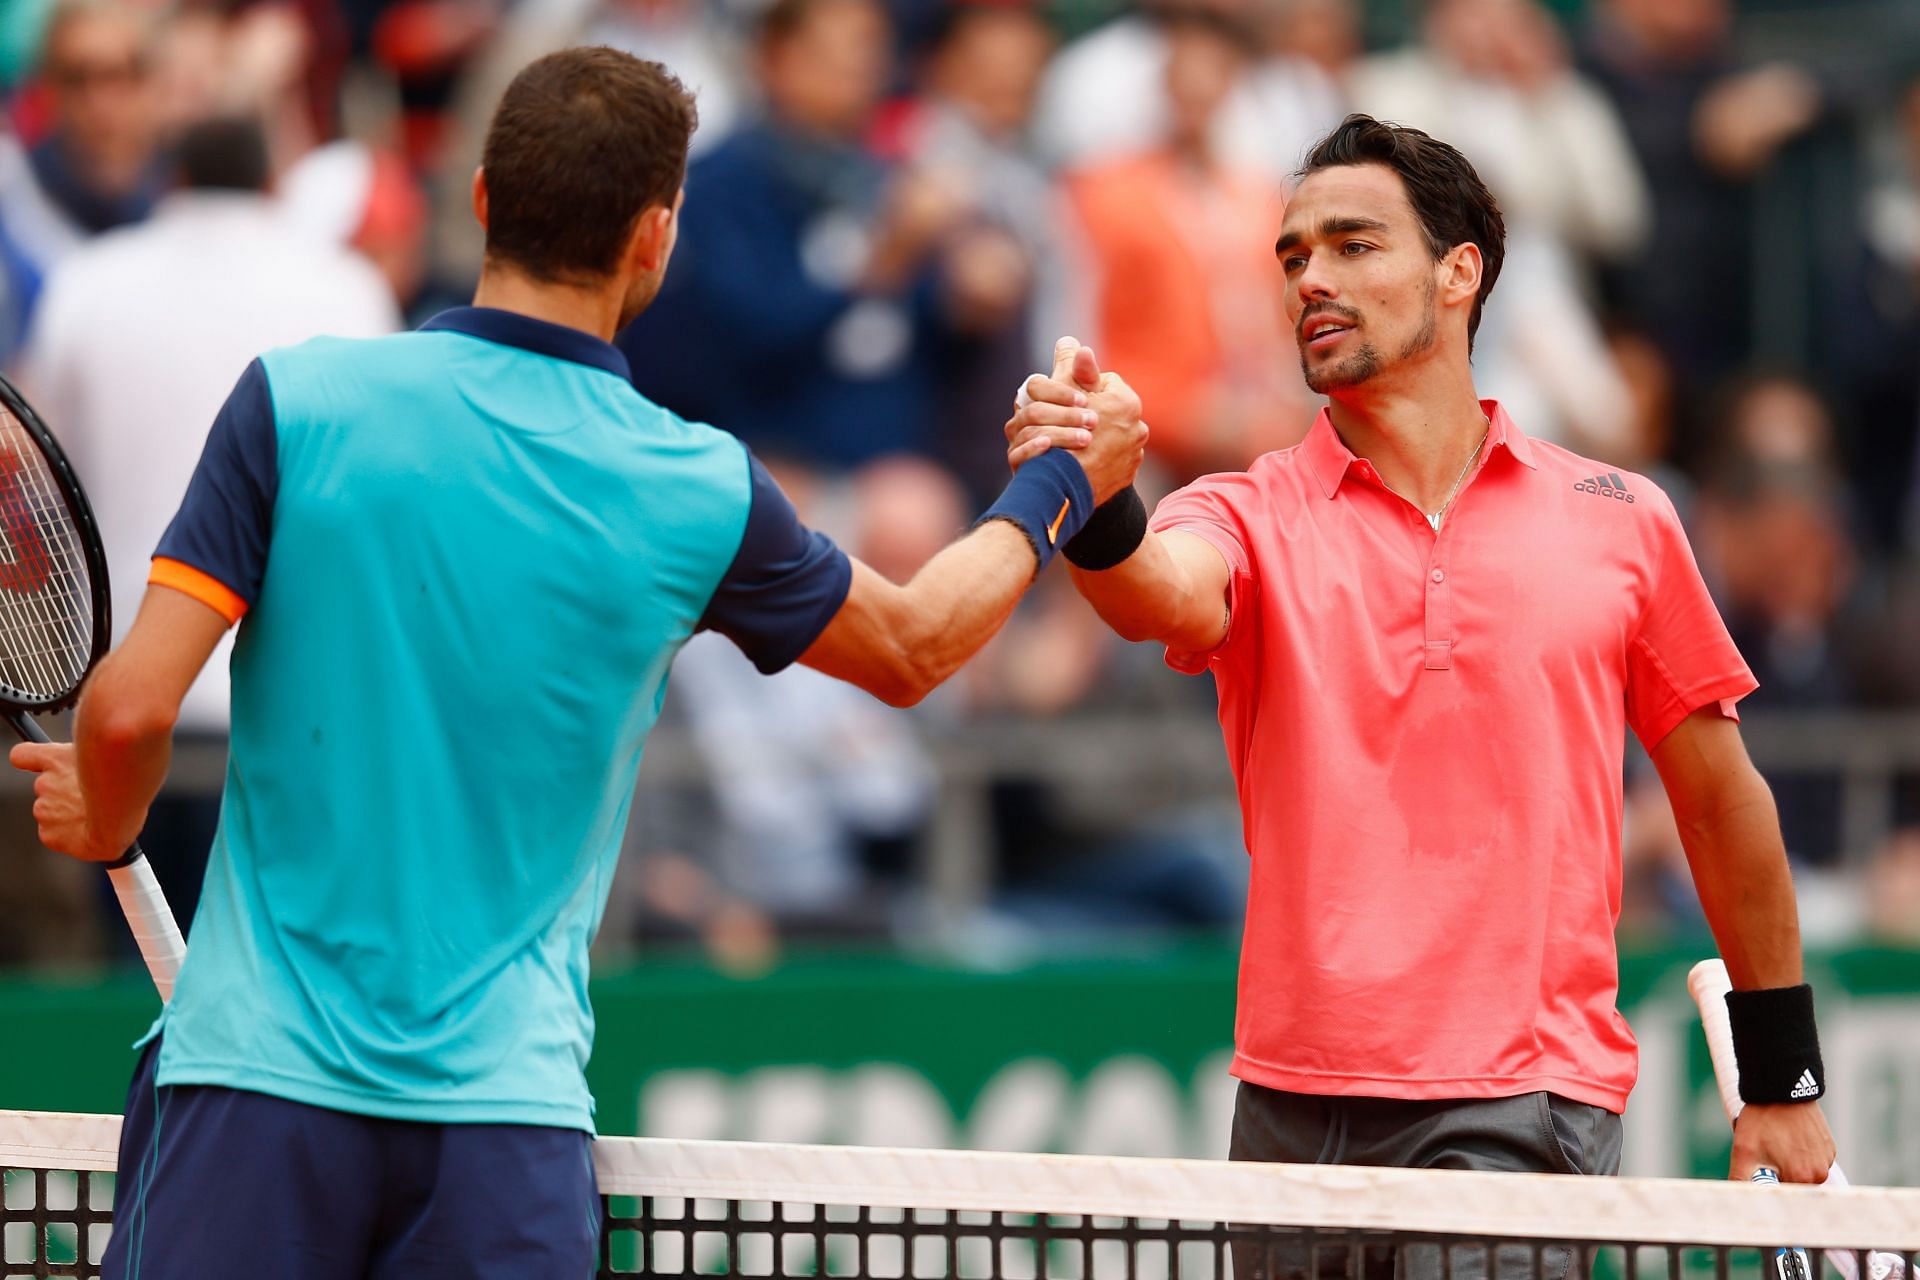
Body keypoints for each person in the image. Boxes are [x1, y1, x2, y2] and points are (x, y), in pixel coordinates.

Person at [11, 47, 1144, 1278]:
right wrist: (1062, 480)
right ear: (655, 239)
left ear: (485, 197)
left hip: (253, 1096)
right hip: (502, 1135)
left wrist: (104, 815)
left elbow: (124, 715)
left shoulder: (302, 401)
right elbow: (922, 642)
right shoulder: (700, 487)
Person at [1008, 116, 1836, 1220]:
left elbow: (1722, 804)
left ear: (1460, 273)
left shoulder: (1623, 518)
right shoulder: (1246, 507)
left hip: (1521, 1103)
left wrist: (1781, 1073)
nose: (1313, 277)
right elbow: (1153, 587)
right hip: (1288, 1113)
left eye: (1354, 245)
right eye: (1294, 255)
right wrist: (1104, 497)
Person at [17, 114, 399, 939]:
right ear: (271, 185)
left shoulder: (88, 281)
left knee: (139, 999)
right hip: (296, 724)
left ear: (174, 182)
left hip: (123, 706)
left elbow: (39, 492)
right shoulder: (349, 287)